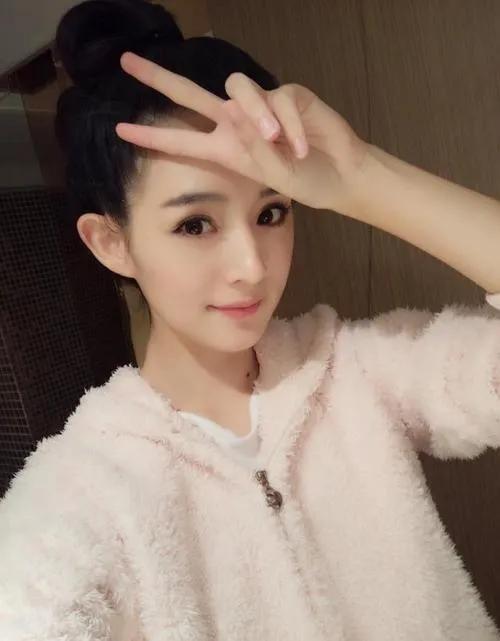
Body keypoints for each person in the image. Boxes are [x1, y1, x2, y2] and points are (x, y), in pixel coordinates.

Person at [1, 0, 500, 638]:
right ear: (111, 242)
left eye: (271, 213)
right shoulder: (85, 492)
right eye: (195, 224)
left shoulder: (357, 374)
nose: (252, 266)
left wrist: (363, 176)